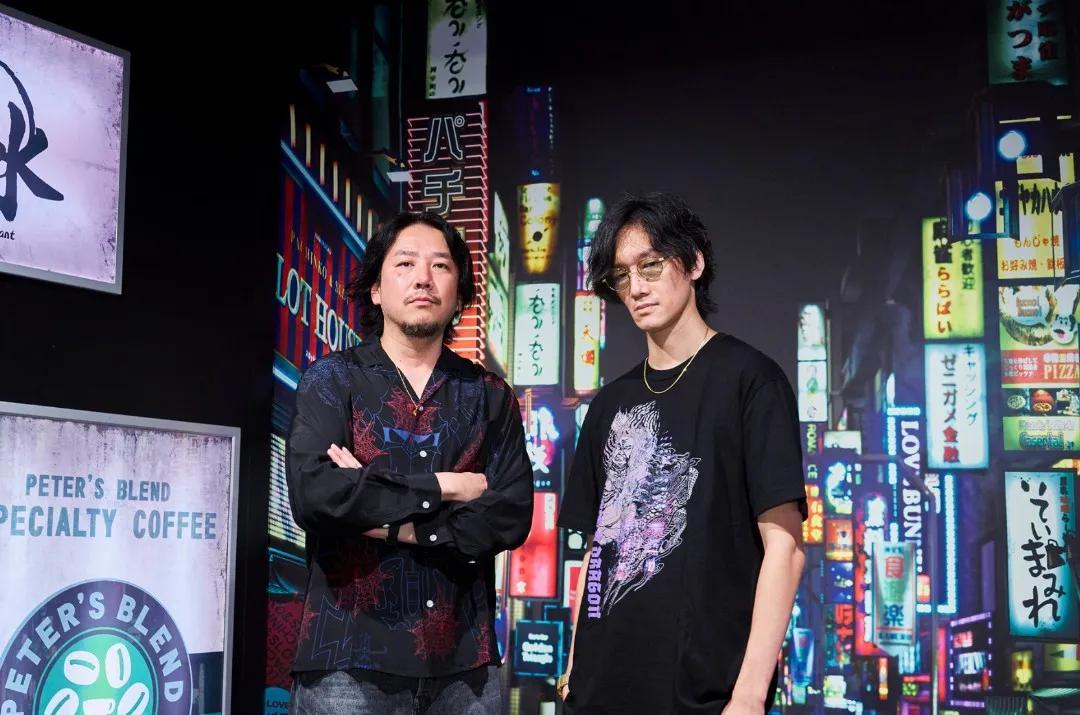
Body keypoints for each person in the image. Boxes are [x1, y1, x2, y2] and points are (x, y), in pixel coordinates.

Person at [558, 193, 807, 713]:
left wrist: (749, 696)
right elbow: (598, 552)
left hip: (703, 692)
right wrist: (574, 669)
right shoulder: (609, 403)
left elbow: (785, 549)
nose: (636, 287)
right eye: (621, 276)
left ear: (694, 262)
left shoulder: (751, 380)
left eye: (650, 265)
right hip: (599, 690)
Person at [286, 211, 533, 714]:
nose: (423, 278)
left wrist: (384, 514)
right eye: (405, 263)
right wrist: (447, 486)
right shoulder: (333, 380)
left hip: (465, 668)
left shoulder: (490, 396)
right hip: (347, 662)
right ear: (376, 289)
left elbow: (509, 515)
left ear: (459, 294)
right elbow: (317, 497)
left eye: (440, 265)